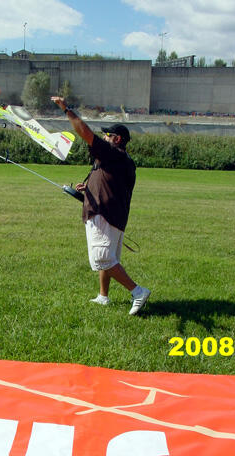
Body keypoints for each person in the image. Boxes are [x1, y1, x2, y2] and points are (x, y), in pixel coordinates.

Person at [51, 96, 150, 315]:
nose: (103, 137)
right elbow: (111, 184)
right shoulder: (118, 160)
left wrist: (66, 109)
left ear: (117, 139)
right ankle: (103, 296)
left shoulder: (114, 154)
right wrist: (88, 189)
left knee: (102, 257)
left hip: (105, 215)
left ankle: (138, 291)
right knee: (108, 258)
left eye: (107, 135)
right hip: (112, 215)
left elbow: (85, 133)